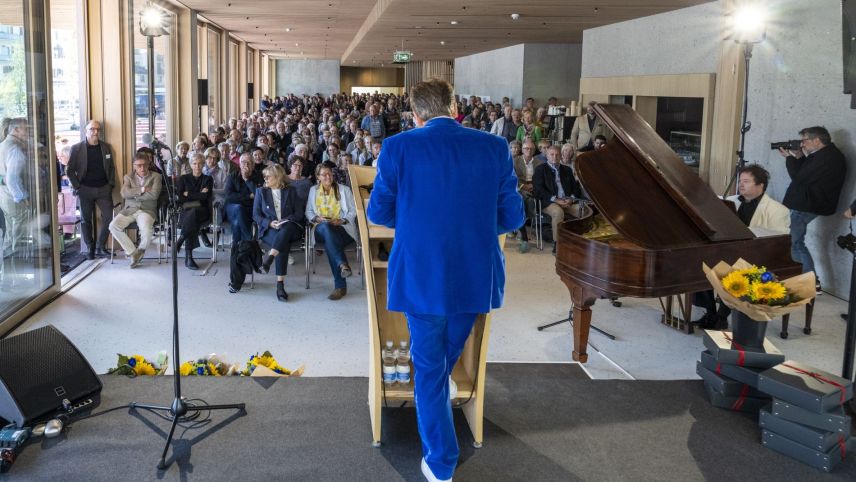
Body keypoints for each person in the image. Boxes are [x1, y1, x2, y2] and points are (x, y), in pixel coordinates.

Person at [367, 79, 523, 482]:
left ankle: (440, 463)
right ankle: (441, 399)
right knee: (443, 355)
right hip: (475, 272)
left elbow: (379, 213)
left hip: (422, 271)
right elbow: (513, 217)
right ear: (454, 107)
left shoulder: (398, 147)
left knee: (429, 369)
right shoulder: (494, 146)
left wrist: (420, 223)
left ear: (416, 115)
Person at [693, 165, 790, 329]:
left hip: (760, 257)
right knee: (700, 266)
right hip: (729, 251)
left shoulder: (778, 210)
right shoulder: (730, 202)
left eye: (746, 181)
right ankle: (711, 313)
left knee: (737, 272)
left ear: (761, 185)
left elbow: (779, 242)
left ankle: (721, 317)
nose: (741, 185)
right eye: (740, 181)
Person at [779, 126, 846, 293]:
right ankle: (807, 281)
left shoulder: (828, 158)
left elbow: (799, 177)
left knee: (795, 243)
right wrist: (800, 157)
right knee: (795, 242)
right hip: (807, 204)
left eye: (805, 140)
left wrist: (789, 158)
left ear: (817, 140)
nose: (802, 144)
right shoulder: (824, 155)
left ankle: (809, 283)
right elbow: (806, 172)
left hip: (807, 205)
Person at [253, 164, 305, 302]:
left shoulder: (291, 191)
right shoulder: (261, 192)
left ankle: (269, 259)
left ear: (278, 177)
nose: (265, 178)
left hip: (291, 228)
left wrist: (285, 220)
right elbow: (256, 215)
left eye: (268, 176)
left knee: (285, 230)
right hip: (270, 230)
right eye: (264, 176)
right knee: (282, 242)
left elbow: (299, 213)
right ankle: (280, 285)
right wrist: (269, 223)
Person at [306, 163, 358, 300]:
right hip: (320, 229)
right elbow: (308, 212)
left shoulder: (344, 190)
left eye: (330, 173)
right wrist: (317, 218)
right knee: (326, 227)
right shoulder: (313, 190)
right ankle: (341, 268)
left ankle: (341, 283)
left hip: (342, 228)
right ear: (318, 177)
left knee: (331, 242)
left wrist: (342, 221)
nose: (328, 177)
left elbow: (353, 211)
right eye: (324, 174)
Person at [66, 120, 116, 259]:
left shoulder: (106, 147)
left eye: (98, 129)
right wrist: (77, 186)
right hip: (85, 189)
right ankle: (90, 247)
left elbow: (111, 167)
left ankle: (101, 246)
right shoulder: (77, 148)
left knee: (108, 218)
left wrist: (111, 184)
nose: (95, 132)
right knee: (85, 219)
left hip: (103, 189)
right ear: (86, 131)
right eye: (92, 129)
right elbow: (69, 170)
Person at [109, 152, 162, 268]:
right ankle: (133, 253)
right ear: (134, 166)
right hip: (129, 210)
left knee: (147, 231)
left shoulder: (156, 177)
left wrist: (133, 195)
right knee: (113, 226)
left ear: (149, 164)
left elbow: (154, 195)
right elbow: (124, 193)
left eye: (144, 165)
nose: (142, 168)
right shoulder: (128, 177)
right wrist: (142, 189)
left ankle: (141, 250)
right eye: (138, 165)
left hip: (147, 210)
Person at [533, 144, 583, 254]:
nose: (554, 157)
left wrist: (572, 199)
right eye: (552, 154)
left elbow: (575, 188)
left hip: (567, 201)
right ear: (547, 155)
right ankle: (557, 243)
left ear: (561, 156)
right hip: (548, 202)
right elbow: (538, 190)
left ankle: (579, 241)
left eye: (557, 154)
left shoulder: (567, 170)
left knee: (583, 210)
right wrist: (556, 200)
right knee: (558, 212)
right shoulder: (540, 169)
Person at [175, 153, 213, 270]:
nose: (197, 166)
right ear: (190, 164)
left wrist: (189, 194)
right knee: (192, 218)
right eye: (194, 163)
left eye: (200, 163)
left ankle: (182, 239)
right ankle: (188, 258)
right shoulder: (183, 178)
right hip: (186, 210)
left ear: (203, 164)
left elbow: (205, 198)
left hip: (203, 211)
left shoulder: (208, 179)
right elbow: (181, 198)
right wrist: (199, 194)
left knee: (194, 214)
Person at [0, 118, 30, 253]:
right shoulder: (14, 148)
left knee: (10, 228)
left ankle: (7, 258)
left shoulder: (3, 145)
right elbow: (12, 178)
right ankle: (14, 258)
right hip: (13, 195)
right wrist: (23, 197)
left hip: (4, 194)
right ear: (16, 130)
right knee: (18, 228)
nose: (27, 131)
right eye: (25, 128)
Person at [224, 153, 262, 243]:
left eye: (249, 163)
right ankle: (250, 241)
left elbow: (259, 194)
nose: (246, 165)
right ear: (239, 164)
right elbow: (229, 196)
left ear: (253, 165)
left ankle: (237, 250)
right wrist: (248, 196)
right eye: (243, 163)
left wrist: (247, 180)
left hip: (251, 209)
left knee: (237, 223)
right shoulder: (232, 176)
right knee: (239, 208)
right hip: (233, 208)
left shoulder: (259, 176)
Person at [513, 140, 543, 253]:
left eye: (531, 149)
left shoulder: (539, 163)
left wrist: (533, 185)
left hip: (534, 188)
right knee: (522, 199)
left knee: (529, 200)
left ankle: (521, 224)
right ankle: (523, 232)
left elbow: (541, 179)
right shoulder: (515, 161)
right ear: (522, 149)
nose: (528, 151)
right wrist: (523, 186)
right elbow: (512, 178)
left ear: (534, 151)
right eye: (526, 148)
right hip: (519, 188)